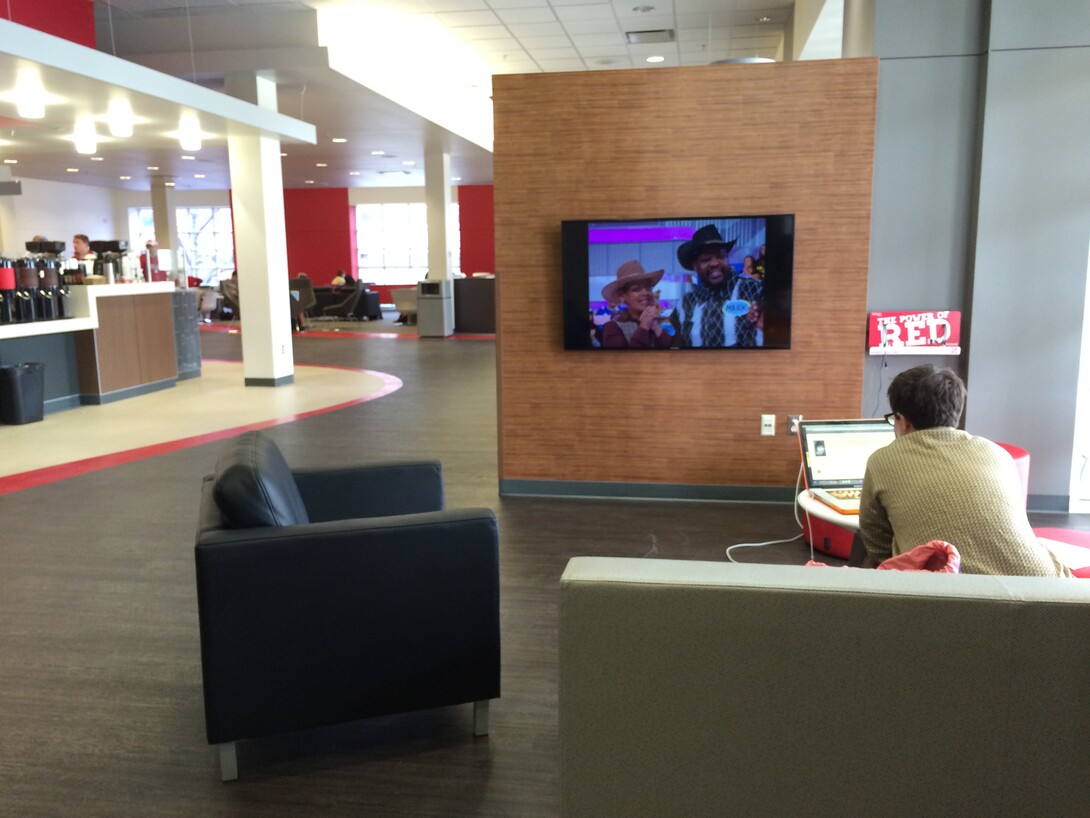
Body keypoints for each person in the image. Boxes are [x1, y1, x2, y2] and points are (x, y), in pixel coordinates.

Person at [857, 364, 1072, 577]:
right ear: (957, 412)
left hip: (954, 598)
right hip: (1050, 591)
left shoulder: (882, 461)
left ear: (902, 421)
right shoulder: (998, 453)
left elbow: (878, 548)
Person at [674, 225, 760, 348]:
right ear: (695, 266)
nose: (714, 263)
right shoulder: (685, 303)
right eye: (706, 259)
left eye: (720, 256)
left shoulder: (753, 289)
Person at [599, 260, 674, 349]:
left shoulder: (662, 322)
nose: (645, 293)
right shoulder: (613, 327)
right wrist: (643, 327)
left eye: (648, 287)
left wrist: (657, 329)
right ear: (622, 296)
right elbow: (623, 360)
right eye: (636, 289)